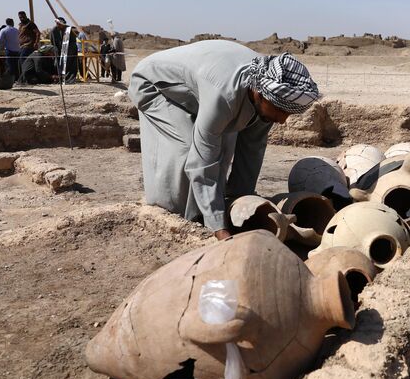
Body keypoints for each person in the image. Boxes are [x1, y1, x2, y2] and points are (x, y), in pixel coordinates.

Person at [128, 40, 320, 240]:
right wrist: (220, 230)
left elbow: (252, 150)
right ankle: (174, 215)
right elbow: (202, 161)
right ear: (259, 94)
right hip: (154, 85)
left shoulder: (268, 90)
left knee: (224, 146)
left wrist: (241, 201)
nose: (282, 120)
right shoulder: (226, 95)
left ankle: (209, 210)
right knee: (187, 151)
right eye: (280, 111)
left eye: (288, 113)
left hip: (198, 88)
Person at [49, 17, 77, 82]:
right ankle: (60, 78)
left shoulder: (68, 29)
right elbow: (53, 42)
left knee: (70, 65)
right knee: (58, 64)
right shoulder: (54, 31)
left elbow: (73, 41)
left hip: (70, 50)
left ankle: (69, 79)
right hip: (59, 51)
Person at [17, 10, 40, 75]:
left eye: (23, 17)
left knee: (23, 61)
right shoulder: (21, 25)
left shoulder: (30, 24)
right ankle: (23, 77)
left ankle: (25, 77)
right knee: (20, 62)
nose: (21, 18)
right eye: (20, 17)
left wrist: (36, 43)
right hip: (21, 46)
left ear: (25, 16)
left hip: (28, 45)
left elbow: (37, 33)